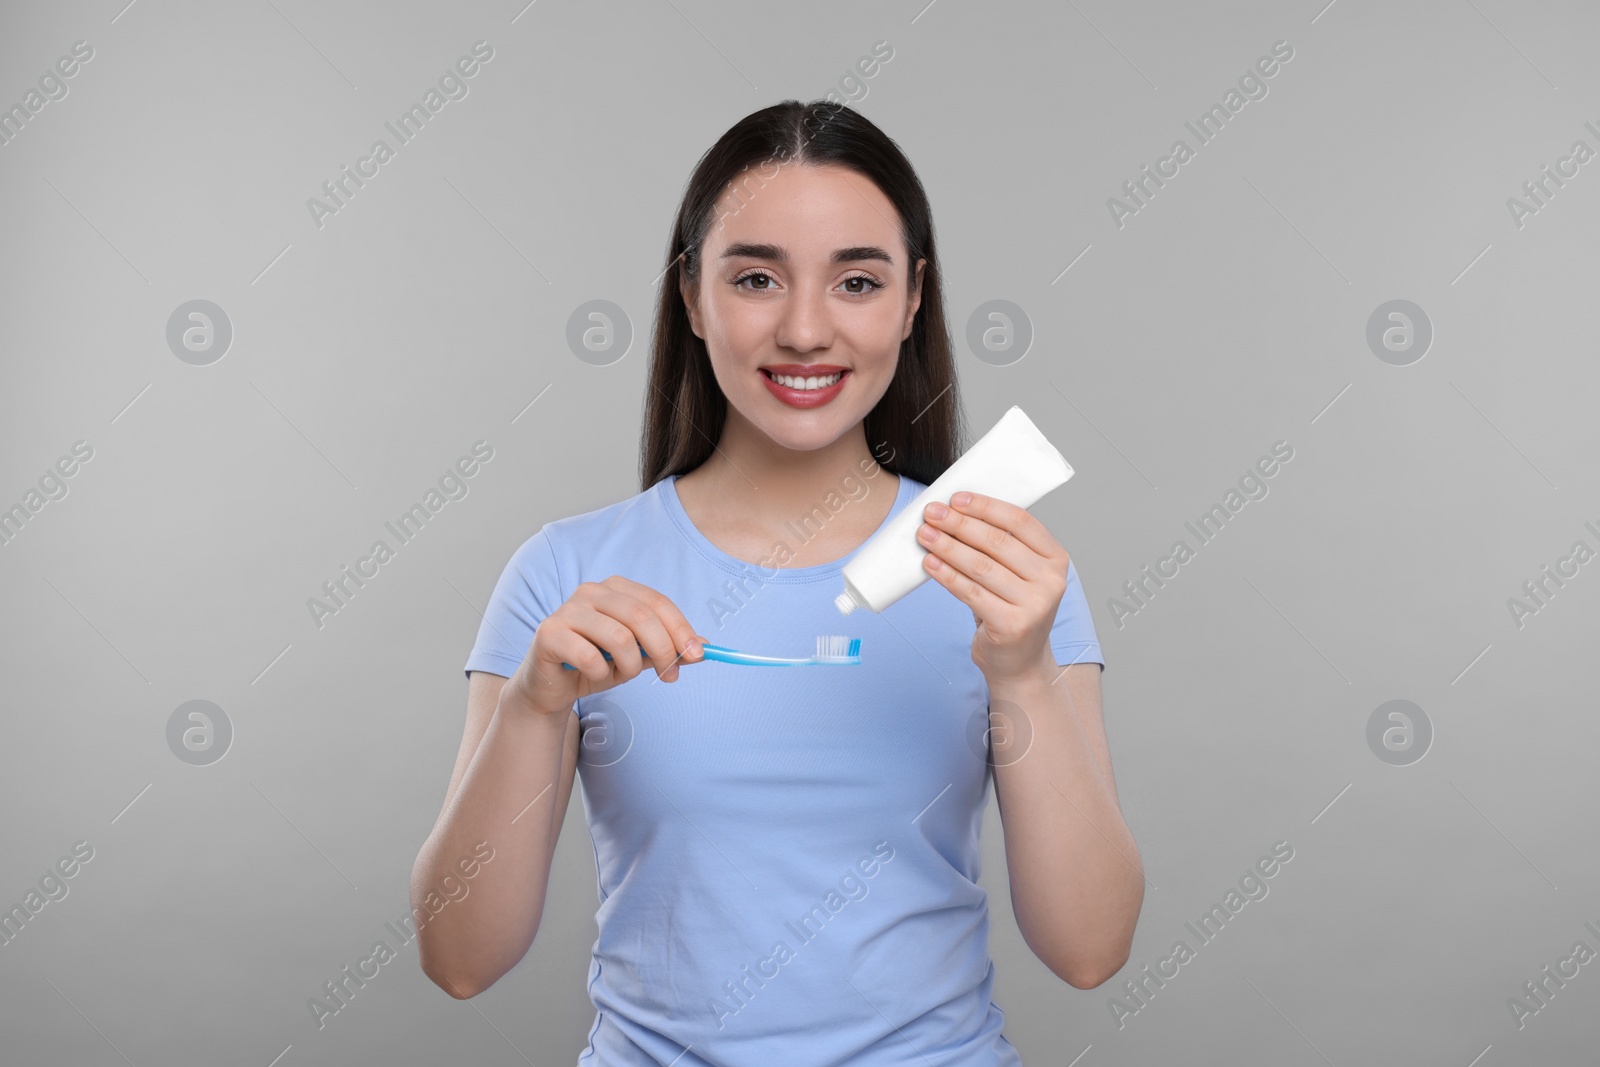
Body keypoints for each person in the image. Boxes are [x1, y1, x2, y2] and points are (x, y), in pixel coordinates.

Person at [411, 98, 1143, 1065]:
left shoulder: (1000, 575)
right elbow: (460, 960)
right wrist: (534, 709)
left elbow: (1090, 950)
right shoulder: (566, 573)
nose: (805, 329)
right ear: (691, 295)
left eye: (857, 281)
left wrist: (1020, 674)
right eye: (756, 276)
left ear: (914, 298)